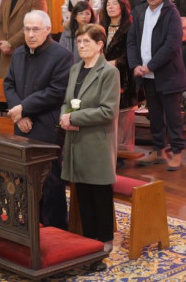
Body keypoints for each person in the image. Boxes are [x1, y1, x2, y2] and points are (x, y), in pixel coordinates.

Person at [3, 10, 72, 230]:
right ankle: (29, 224)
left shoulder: (61, 55)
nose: (30, 34)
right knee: (23, 177)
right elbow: (9, 84)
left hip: (46, 125)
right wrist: (19, 112)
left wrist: (24, 109)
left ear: (47, 30)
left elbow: (56, 91)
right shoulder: (19, 53)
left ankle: (55, 228)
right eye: (27, 29)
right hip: (22, 123)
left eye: (35, 29)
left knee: (50, 180)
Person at [59, 23, 119, 251]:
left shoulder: (109, 72)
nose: (81, 46)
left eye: (87, 42)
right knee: (82, 191)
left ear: (100, 45)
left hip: (97, 142)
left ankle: (104, 242)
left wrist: (74, 119)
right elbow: (66, 101)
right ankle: (88, 241)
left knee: (100, 194)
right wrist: (64, 116)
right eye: (79, 42)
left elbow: (108, 111)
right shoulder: (75, 69)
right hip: (76, 141)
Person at [127, 0, 186, 171]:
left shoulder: (172, 13)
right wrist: (135, 64)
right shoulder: (140, 12)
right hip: (146, 75)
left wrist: (151, 65)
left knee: (172, 116)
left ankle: (177, 153)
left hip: (167, 74)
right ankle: (158, 150)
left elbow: (172, 45)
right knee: (154, 116)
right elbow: (132, 41)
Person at [100, 0, 139, 153]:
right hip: (104, 76)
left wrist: (117, 62)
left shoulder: (130, 26)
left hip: (124, 76)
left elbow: (133, 51)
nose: (110, 6)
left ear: (122, 6)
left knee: (123, 113)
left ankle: (123, 151)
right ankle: (107, 150)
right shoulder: (102, 26)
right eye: (108, 4)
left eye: (114, 3)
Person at [0, 0, 48, 77]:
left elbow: (35, 25)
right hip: (5, 53)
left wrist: (10, 43)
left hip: (24, 50)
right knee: (5, 89)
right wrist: (2, 43)